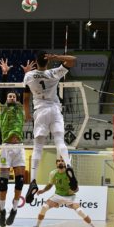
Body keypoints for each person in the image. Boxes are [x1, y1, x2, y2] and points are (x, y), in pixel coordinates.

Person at [22, 51, 78, 203]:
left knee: (38, 147)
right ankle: (68, 165)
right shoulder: (54, 72)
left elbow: (25, 99)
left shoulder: (28, 76)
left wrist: (27, 114)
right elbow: (73, 59)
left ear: (36, 61)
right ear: (47, 61)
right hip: (55, 110)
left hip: (40, 111)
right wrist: (56, 57)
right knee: (60, 141)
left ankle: (33, 181)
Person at [27, 158, 104, 227]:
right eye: (59, 161)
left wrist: (73, 191)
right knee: (44, 207)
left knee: (80, 211)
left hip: (70, 197)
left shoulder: (69, 173)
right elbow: (50, 184)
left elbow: (77, 188)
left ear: (65, 163)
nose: (60, 162)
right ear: (56, 163)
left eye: (62, 161)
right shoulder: (53, 173)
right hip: (57, 196)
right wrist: (43, 190)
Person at [0, 58, 27, 227]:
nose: (11, 97)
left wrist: (26, 75)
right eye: (9, 95)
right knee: (3, 181)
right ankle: (2, 211)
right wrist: (5, 74)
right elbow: (2, 92)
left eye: (13, 96)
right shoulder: (2, 108)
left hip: (19, 146)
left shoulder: (20, 108)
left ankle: (14, 210)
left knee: (20, 181)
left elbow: (25, 93)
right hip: (6, 147)